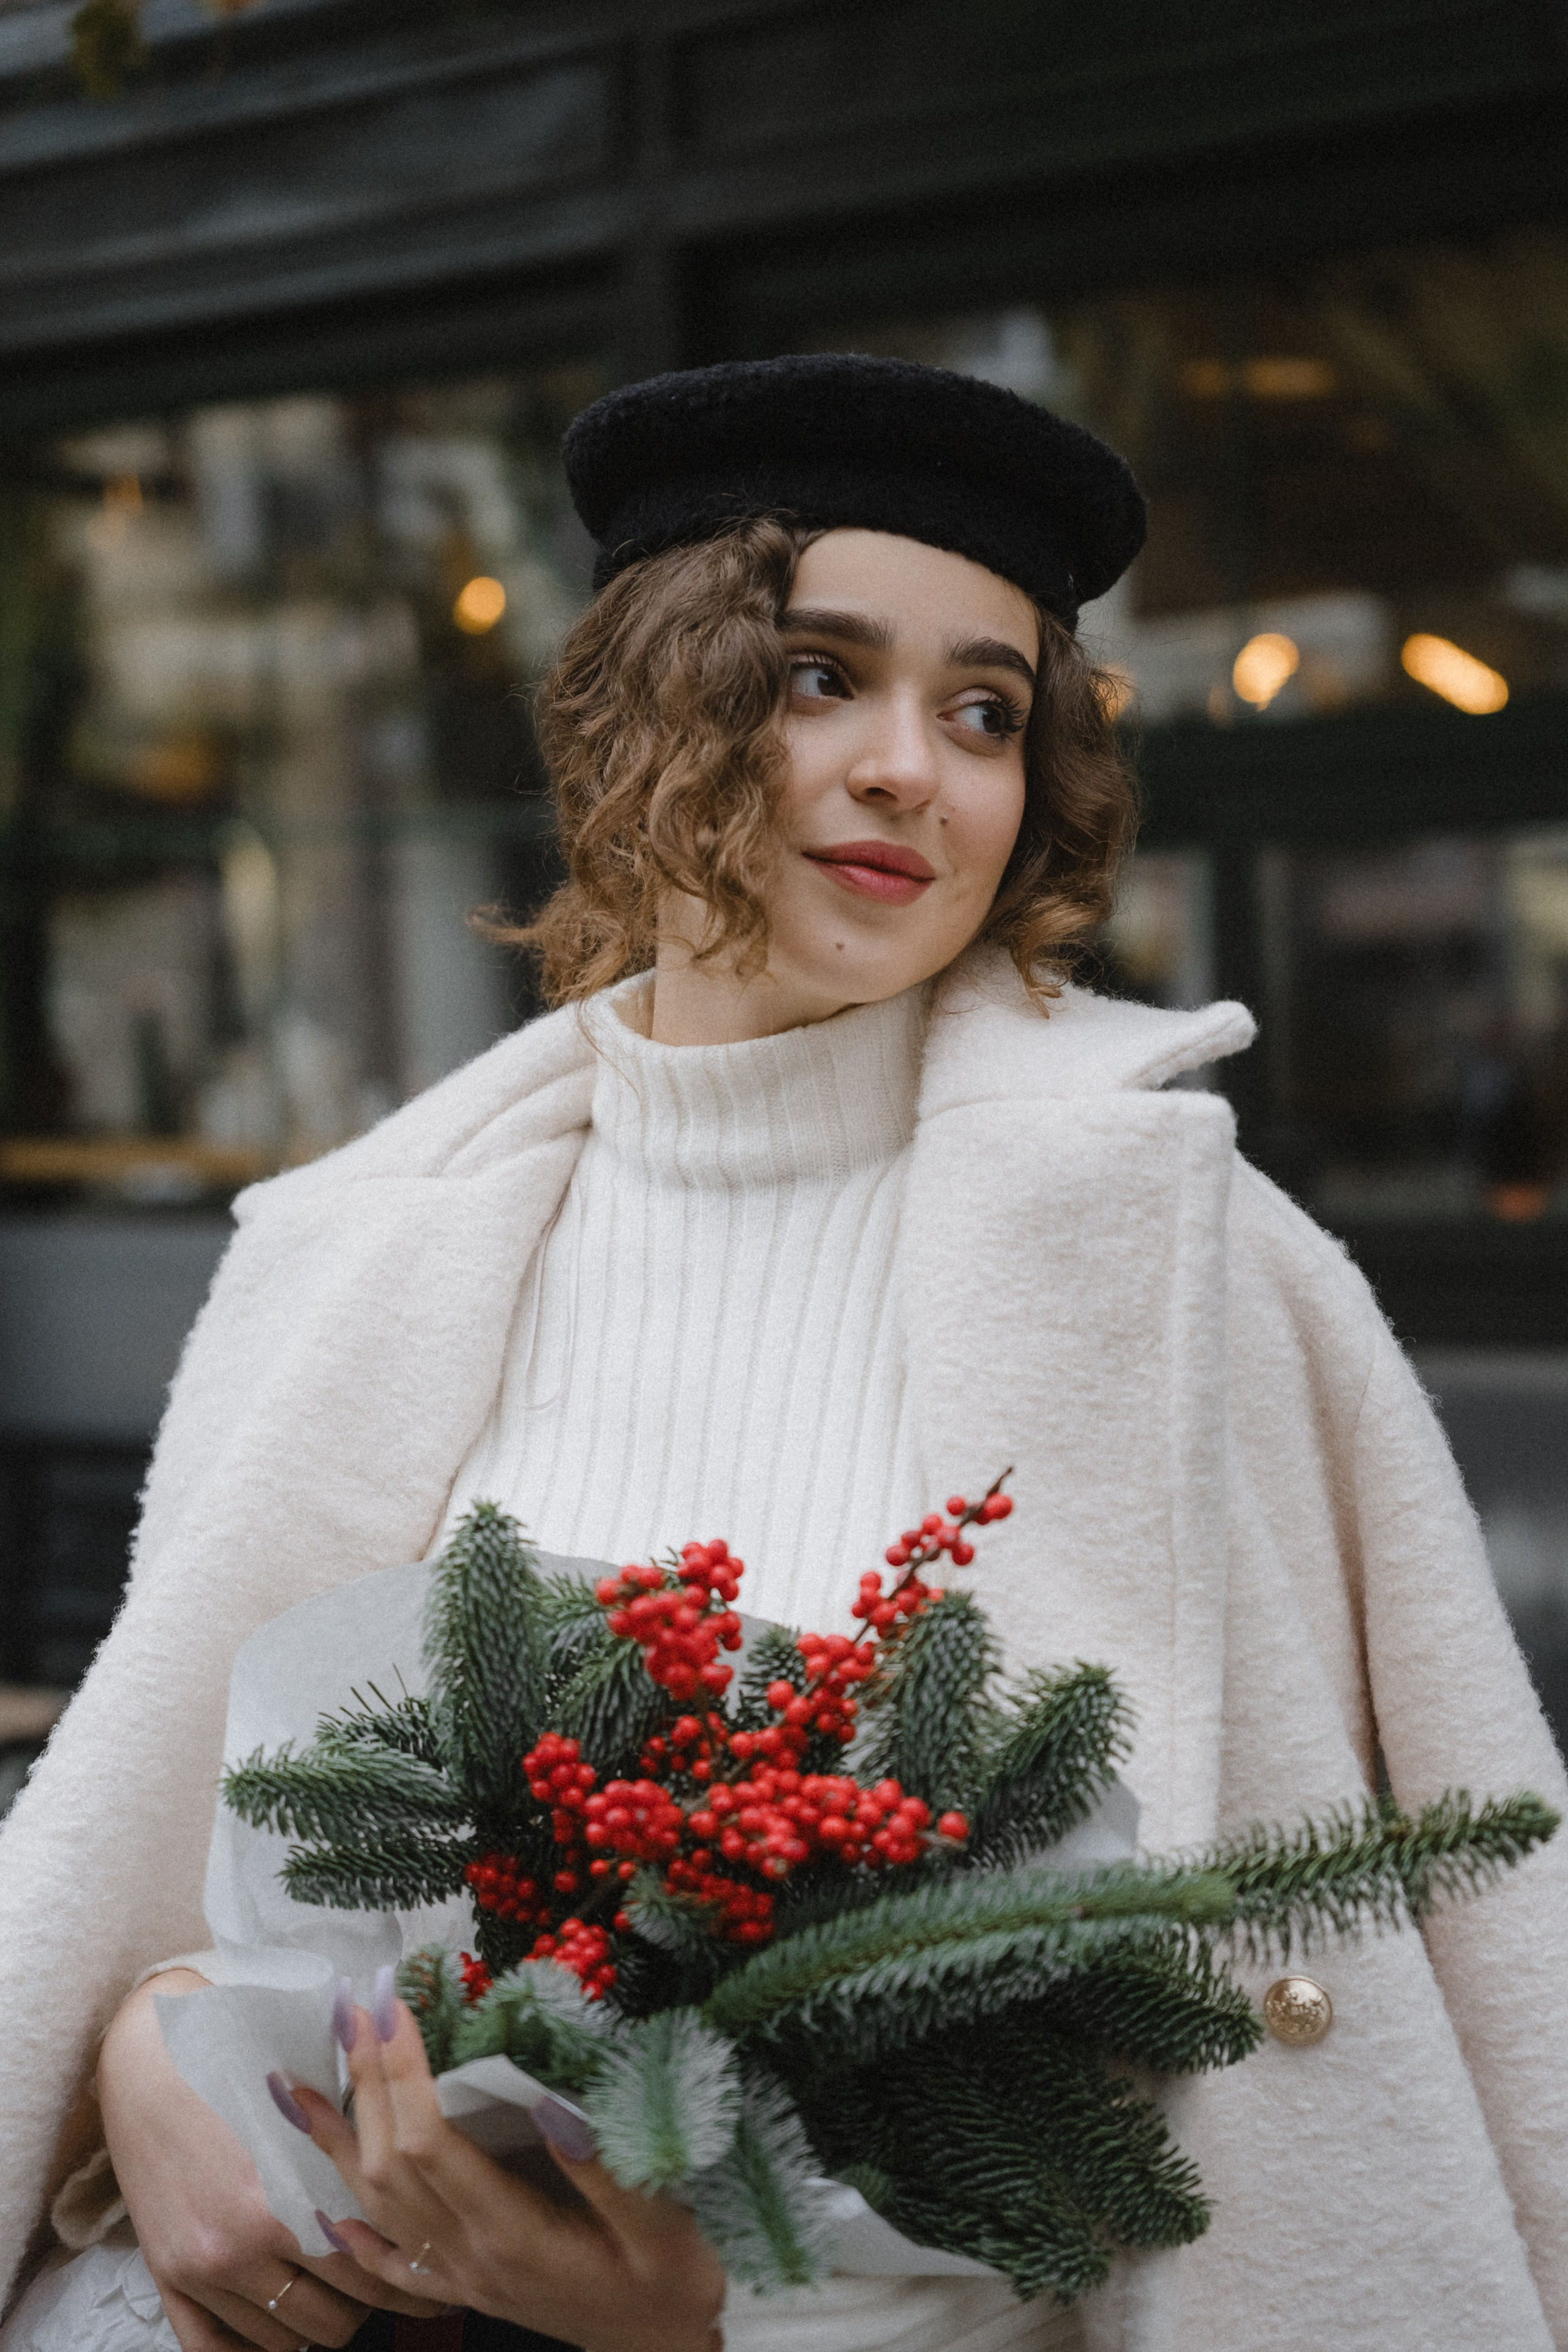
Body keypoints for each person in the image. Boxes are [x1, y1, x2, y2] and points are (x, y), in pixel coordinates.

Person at [0, 353, 1564, 2352]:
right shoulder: (357, 1258)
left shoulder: (1189, 1272)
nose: (917, 765)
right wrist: (142, 2043)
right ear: (652, 696)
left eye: (986, 708)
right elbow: (159, 1864)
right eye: (824, 674)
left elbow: (1341, 2028)